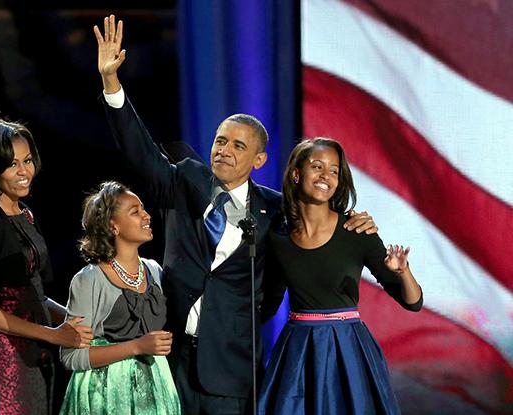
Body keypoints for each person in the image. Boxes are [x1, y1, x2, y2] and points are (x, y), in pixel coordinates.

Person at [93, 16, 377, 414]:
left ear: (259, 159)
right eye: (220, 140)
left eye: (238, 146)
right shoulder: (185, 181)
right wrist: (112, 84)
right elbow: (139, 151)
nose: (224, 150)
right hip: (168, 358)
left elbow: (295, 256)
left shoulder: (276, 208)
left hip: (232, 367)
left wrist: (354, 223)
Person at [258, 138, 423, 414]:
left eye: (334, 171)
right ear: (297, 174)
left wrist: (404, 272)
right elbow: (269, 303)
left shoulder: (356, 231)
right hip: (298, 353)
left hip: (348, 349)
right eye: (317, 166)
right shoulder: (277, 237)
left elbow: (412, 302)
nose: (326, 176)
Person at [0, 118, 94, 415]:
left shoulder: (24, 214)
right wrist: (54, 335)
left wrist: (78, 321)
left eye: (28, 160)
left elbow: (34, 293)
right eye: (12, 165)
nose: (24, 172)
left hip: (33, 354)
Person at [59, 181, 181, 414]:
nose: (146, 216)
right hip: (106, 393)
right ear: (113, 226)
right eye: (135, 212)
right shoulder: (89, 280)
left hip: (155, 389)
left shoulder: (154, 271)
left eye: (143, 209)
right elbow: (71, 356)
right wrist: (137, 346)